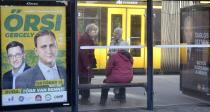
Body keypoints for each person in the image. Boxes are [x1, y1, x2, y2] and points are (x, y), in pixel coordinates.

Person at [78, 23, 99, 105]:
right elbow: (84, 53)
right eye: (95, 31)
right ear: (91, 30)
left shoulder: (86, 37)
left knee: (84, 80)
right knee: (86, 81)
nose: (95, 33)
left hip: (84, 64)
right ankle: (85, 100)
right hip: (85, 65)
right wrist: (87, 65)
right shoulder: (86, 38)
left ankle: (84, 98)